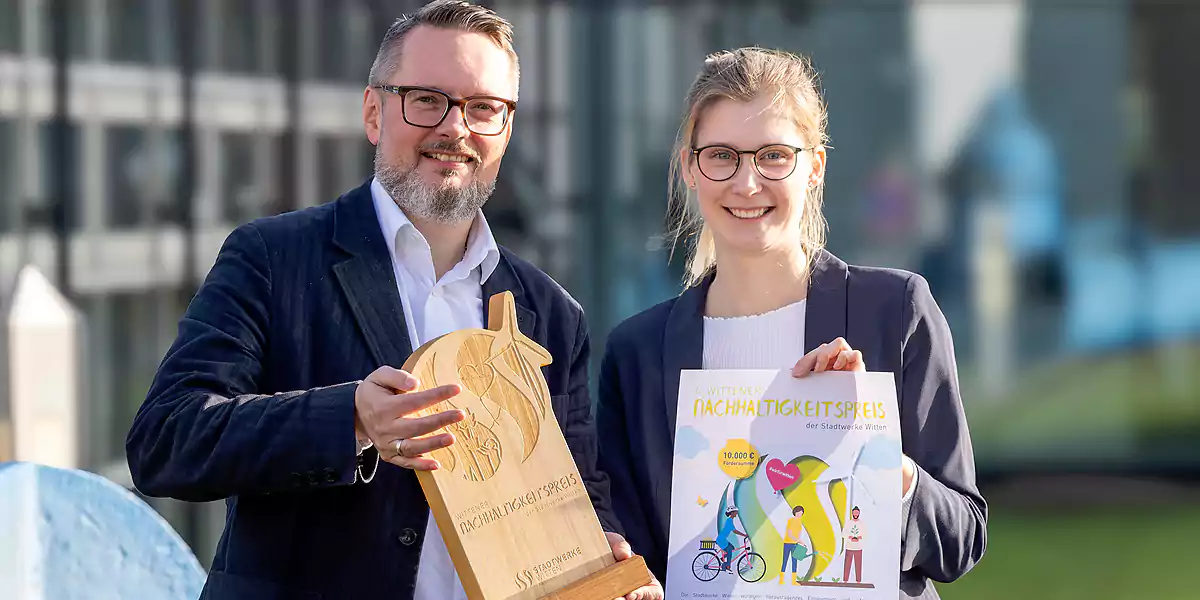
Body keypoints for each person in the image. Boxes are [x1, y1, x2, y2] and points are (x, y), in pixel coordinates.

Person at [124, 2, 661, 599]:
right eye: (427, 99)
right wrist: (351, 419)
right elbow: (165, 440)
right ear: (374, 113)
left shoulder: (551, 313)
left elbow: (577, 497)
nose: (455, 128)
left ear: (506, 130)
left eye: (483, 107)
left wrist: (606, 561)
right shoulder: (272, 258)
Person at [595, 47, 987, 599]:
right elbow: (634, 550)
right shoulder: (637, 354)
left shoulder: (895, 310)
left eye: (774, 156)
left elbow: (961, 537)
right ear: (689, 167)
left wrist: (875, 452)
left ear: (815, 166)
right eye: (722, 156)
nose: (747, 183)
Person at [716, 505, 748, 573]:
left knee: (732, 548)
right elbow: (734, 531)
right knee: (730, 550)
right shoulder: (729, 521)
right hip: (721, 540)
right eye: (736, 512)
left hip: (723, 539)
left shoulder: (730, 520)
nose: (737, 513)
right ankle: (726, 565)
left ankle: (722, 558)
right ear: (732, 513)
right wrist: (744, 535)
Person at [781, 505, 805, 584]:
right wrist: (798, 540)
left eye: (801, 513)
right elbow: (789, 533)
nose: (799, 514)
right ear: (794, 512)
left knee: (794, 561)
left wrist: (800, 541)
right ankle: (781, 580)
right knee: (785, 561)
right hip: (787, 543)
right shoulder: (791, 520)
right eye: (798, 513)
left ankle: (793, 581)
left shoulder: (800, 523)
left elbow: (799, 534)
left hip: (795, 544)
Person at [843, 506, 867, 583]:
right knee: (847, 564)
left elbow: (865, 534)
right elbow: (844, 533)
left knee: (858, 564)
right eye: (854, 512)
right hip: (849, 546)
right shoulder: (848, 523)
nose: (856, 514)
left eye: (857, 512)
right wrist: (850, 537)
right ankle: (845, 580)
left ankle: (858, 581)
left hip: (858, 547)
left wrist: (859, 537)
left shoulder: (862, 524)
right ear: (852, 513)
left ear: (859, 513)